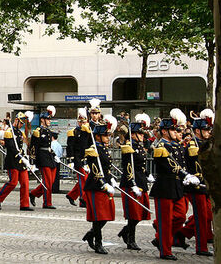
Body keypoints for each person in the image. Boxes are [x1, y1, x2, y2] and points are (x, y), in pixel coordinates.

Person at [150, 110, 201, 261]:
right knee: (165, 221)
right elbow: (172, 165)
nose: (176, 132)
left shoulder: (176, 146)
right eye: (173, 129)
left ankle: (160, 237)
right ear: (164, 132)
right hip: (165, 186)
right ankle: (165, 250)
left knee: (179, 216)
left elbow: (182, 163)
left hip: (177, 186)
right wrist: (186, 175)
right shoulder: (161, 146)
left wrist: (188, 176)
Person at [177, 109, 214, 257]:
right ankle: (201, 247)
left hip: (205, 185)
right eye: (205, 130)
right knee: (201, 217)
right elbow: (196, 167)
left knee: (208, 215)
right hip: (195, 186)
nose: (208, 132)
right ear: (197, 130)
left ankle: (181, 233)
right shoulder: (193, 144)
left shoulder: (205, 143)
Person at [81, 115, 118, 254]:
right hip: (96, 186)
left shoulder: (102, 147)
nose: (108, 138)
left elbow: (106, 168)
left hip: (105, 183)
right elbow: (95, 170)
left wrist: (111, 179)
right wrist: (104, 184)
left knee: (107, 215)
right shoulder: (93, 149)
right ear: (97, 136)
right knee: (99, 216)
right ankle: (98, 243)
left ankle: (90, 234)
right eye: (105, 136)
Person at [118, 113, 152, 250]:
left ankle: (125, 232)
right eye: (140, 134)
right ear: (133, 135)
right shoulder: (129, 148)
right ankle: (130, 239)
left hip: (141, 182)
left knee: (141, 214)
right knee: (134, 215)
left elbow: (141, 166)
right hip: (131, 184)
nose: (143, 136)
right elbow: (128, 168)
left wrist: (148, 174)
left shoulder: (139, 147)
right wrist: (132, 184)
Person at [0, 112, 34, 211]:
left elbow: (20, 147)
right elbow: (11, 147)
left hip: (20, 160)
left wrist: (25, 157)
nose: (21, 125)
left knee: (25, 183)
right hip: (12, 161)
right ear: (16, 120)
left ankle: (24, 204)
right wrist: (20, 156)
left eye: (23, 123)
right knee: (13, 182)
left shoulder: (20, 133)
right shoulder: (8, 132)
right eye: (21, 123)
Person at [29, 105, 58, 209]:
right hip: (42, 158)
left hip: (50, 157)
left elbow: (49, 146)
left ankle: (33, 194)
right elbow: (33, 147)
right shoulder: (38, 131)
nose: (49, 121)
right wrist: (32, 162)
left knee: (52, 180)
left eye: (49, 119)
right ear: (42, 120)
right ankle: (47, 202)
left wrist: (55, 155)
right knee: (48, 182)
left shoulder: (48, 131)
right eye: (47, 119)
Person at [65, 108, 91, 208]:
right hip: (77, 159)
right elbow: (70, 147)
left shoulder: (88, 132)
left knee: (85, 179)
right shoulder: (73, 132)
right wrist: (70, 160)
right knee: (83, 179)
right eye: (80, 122)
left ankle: (72, 195)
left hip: (86, 159)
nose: (82, 123)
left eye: (84, 121)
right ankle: (83, 200)